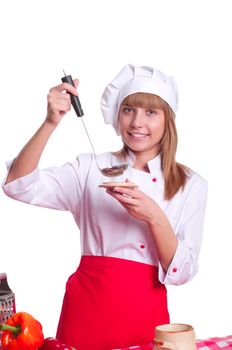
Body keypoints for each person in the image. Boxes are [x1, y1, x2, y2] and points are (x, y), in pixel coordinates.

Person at [2, 64, 208, 350]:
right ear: (117, 115)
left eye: (150, 112)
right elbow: (18, 185)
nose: (137, 122)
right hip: (84, 312)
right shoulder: (90, 168)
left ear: (167, 119)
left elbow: (183, 272)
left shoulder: (190, 184)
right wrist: (50, 122)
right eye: (128, 110)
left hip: (144, 316)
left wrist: (154, 216)